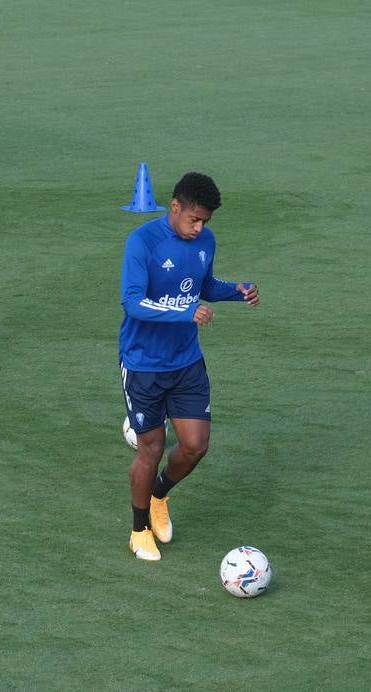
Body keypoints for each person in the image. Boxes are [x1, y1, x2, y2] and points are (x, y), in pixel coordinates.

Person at [119, 172, 259, 561]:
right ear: (175, 207)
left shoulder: (205, 242)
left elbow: (203, 286)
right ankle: (138, 528)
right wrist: (184, 311)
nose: (199, 228)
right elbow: (131, 302)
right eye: (193, 219)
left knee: (196, 446)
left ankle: (159, 496)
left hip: (186, 362)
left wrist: (237, 290)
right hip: (144, 363)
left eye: (205, 222)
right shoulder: (142, 242)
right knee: (153, 447)